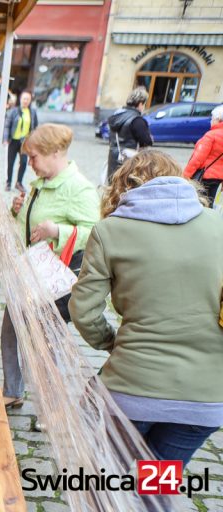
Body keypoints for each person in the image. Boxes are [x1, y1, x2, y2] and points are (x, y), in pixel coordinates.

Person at [70, 150, 223, 467]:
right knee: (155, 485)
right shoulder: (218, 225)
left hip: (131, 389)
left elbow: (83, 310)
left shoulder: (110, 231)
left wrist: (110, 342)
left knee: (108, 475)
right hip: (205, 397)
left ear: (122, 187)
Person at [2, 124, 99, 410]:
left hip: (50, 280)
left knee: (45, 342)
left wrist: (58, 230)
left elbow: (96, 231)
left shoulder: (78, 188)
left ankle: (51, 405)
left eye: (33, 157)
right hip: (27, 271)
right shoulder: (41, 182)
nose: (28, 163)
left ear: (55, 153)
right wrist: (17, 210)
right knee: (10, 330)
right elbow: (28, 224)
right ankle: (13, 389)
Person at [106, 86, 153, 181]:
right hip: (129, 161)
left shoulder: (117, 115)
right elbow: (146, 141)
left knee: (113, 184)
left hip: (113, 158)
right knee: (126, 185)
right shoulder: (137, 120)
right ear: (140, 104)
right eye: (144, 104)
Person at [183, 104, 223, 202]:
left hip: (205, 176)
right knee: (210, 202)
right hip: (219, 178)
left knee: (199, 201)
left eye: (212, 118)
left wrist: (185, 176)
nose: (211, 121)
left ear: (218, 119)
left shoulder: (211, 136)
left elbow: (197, 159)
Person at [3, 90, 39, 193]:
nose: (26, 101)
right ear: (20, 99)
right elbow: (7, 125)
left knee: (23, 162)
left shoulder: (32, 112)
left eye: (28, 99)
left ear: (30, 100)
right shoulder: (13, 111)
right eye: (24, 98)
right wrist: (5, 139)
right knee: (10, 162)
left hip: (25, 142)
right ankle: (8, 182)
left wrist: (34, 140)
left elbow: (35, 127)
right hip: (13, 140)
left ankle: (19, 182)